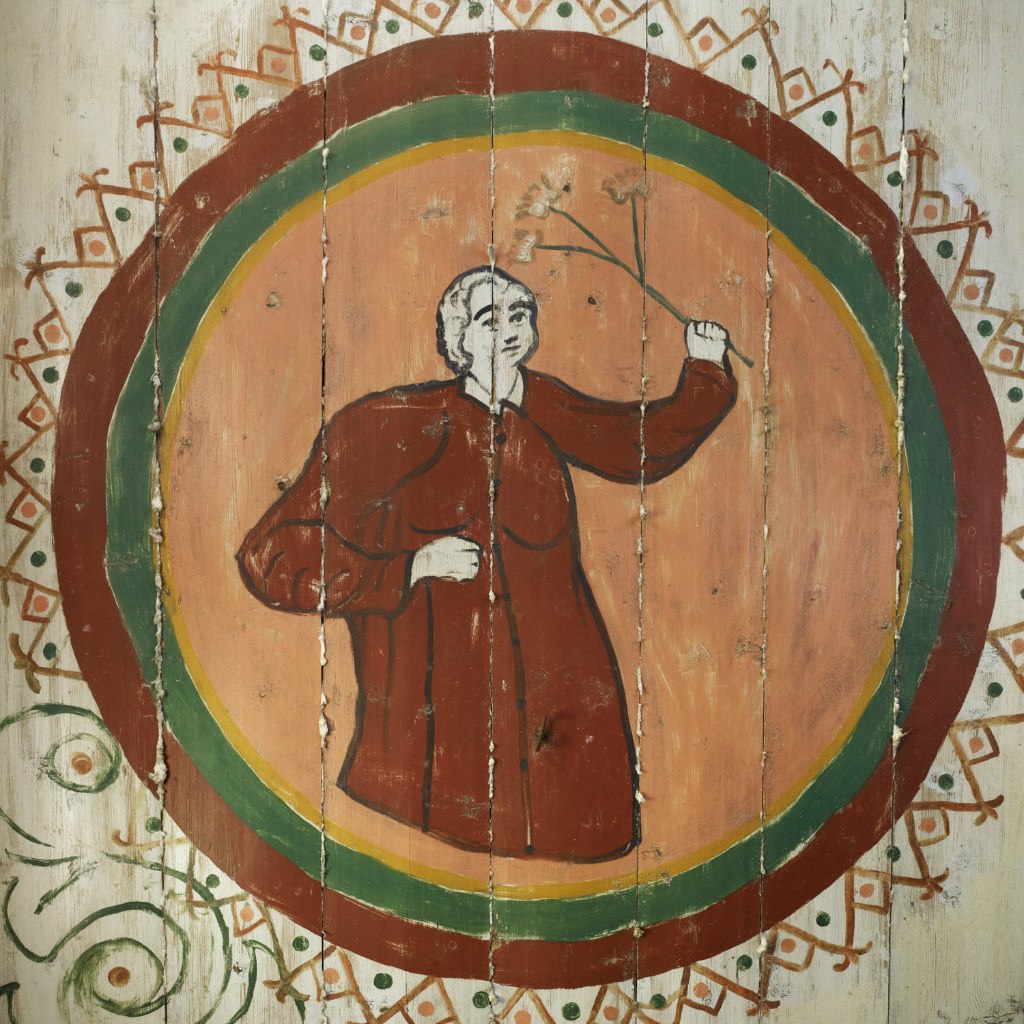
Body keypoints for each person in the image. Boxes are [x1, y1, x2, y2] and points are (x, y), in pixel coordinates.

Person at [237, 266, 737, 862]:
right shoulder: (389, 422)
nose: (510, 328)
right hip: (437, 729)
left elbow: (636, 445)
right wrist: (408, 568)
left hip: (557, 711)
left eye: (520, 314)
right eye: (489, 317)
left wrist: (705, 370)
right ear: (457, 339)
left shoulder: (545, 406)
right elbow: (273, 552)